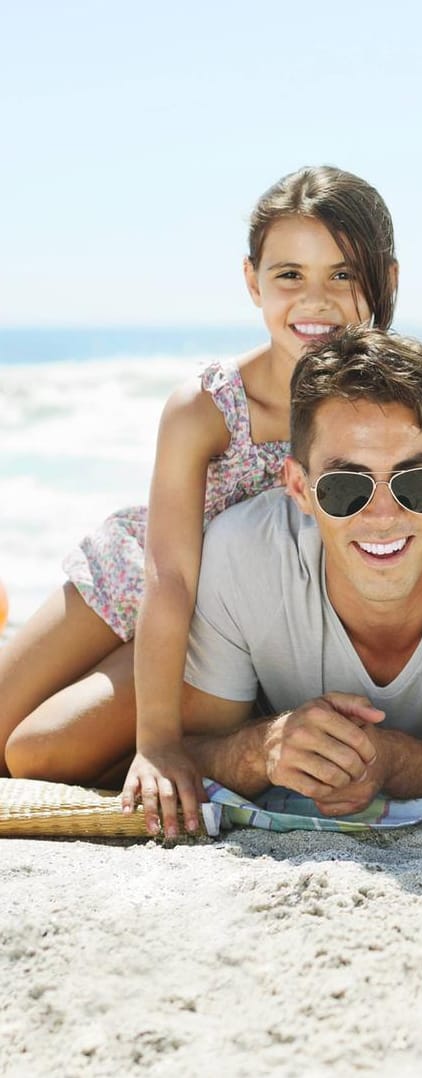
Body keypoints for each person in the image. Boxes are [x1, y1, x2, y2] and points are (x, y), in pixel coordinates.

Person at [0, 166, 398, 838]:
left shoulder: (393, 400)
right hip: (139, 575)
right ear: (252, 282)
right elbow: (169, 573)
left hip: (219, 626)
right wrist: (155, 741)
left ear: (385, 280)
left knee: (33, 754)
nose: (317, 299)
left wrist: (163, 741)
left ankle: (199, 747)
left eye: (342, 274)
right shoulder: (208, 406)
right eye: (289, 275)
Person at [167, 326, 422, 816]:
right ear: (299, 487)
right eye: (346, 485)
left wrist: (394, 762)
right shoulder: (242, 555)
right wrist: (263, 749)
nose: (384, 515)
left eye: (416, 482)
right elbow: (192, 749)